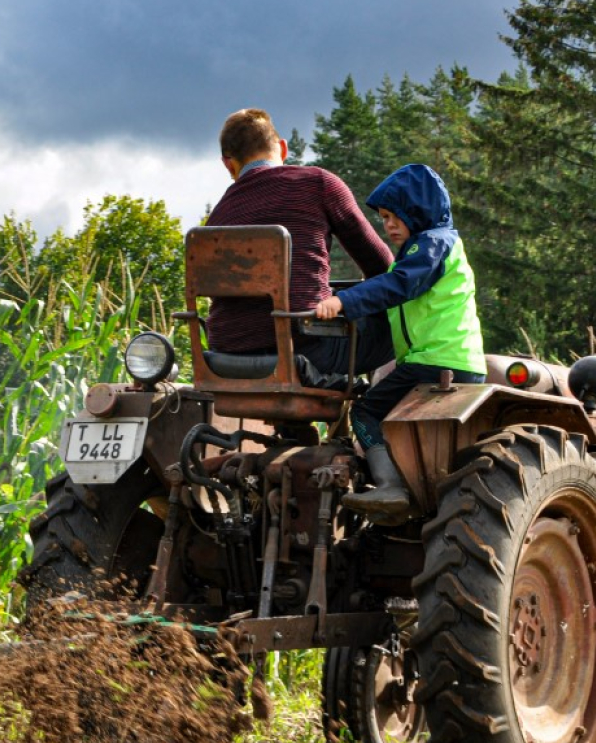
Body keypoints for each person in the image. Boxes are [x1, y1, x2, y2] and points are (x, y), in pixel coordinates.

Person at [315, 164, 485, 522]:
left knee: (365, 412)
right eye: (383, 218)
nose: (388, 225)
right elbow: (392, 290)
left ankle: (391, 485)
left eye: (395, 216)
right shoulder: (424, 253)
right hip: (446, 360)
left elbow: (397, 287)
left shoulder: (434, 244)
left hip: (437, 361)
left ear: (417, 211)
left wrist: (344, 302)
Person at [205, 108, 395, 377]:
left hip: (226, 355)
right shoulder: (318, 184)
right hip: (309, 350)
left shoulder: (217, 217)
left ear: (228, 163)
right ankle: (379, 402)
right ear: (283, 148)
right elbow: (382, 266)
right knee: (403, 319)